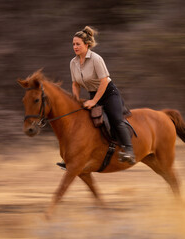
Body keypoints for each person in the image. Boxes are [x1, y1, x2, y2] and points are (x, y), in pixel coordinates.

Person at [57, 26, 135, 170]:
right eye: (73, 44)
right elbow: (75, 84)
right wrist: (75, 101)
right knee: (80, 123)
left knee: (116, 120)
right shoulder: (73, 62)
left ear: (86, 44)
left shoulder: (96, 59)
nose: (75, 46)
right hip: (93, 94)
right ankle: (71, 157)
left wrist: (93, 101)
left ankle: (129, 151)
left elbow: (104, 81)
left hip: (109, 93)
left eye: (78, 44)